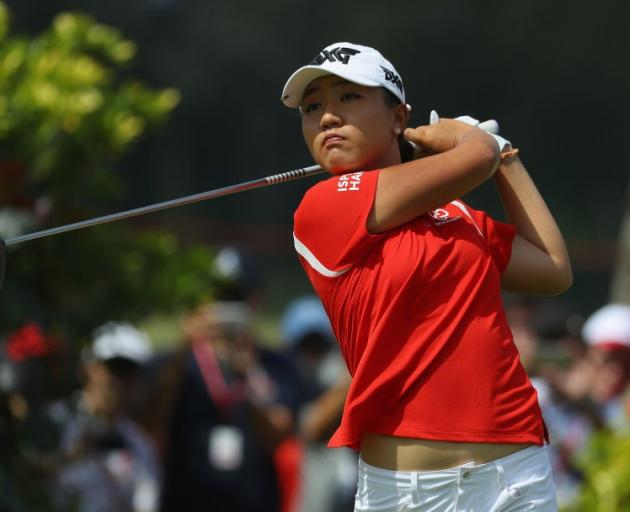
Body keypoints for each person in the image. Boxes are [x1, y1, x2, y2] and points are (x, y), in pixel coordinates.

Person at [281, 42, 573, 511]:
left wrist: (508, 158)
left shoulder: (455, 214)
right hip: (405, 492)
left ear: (398, 118)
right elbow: (474, 157)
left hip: (515, 475)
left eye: (348, 98)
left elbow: (553, 268)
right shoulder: (324, 205)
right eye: (313, 108)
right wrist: (468, 138)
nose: (328, 118)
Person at [54, 322, 161, 512]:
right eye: (112, 369)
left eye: (128, 373)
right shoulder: (54, 422)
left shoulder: (139, 445)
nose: (117, 382)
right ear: (90, 368)